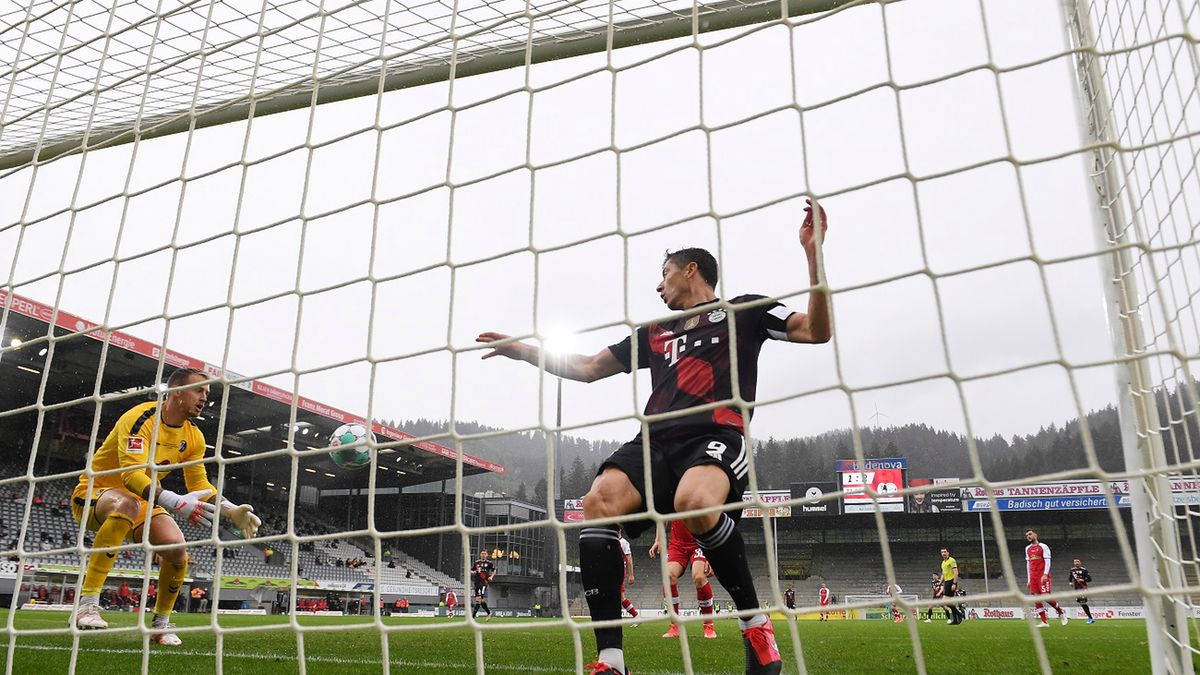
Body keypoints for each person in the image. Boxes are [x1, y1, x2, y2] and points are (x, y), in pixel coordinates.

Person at [477, 200, 831, 675]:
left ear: (691, 270)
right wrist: (525, 352)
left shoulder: (745, 310)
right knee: (598, 501)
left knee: (695, 502)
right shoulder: (654, 333)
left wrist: (814, 254)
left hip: (717, 434)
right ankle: (611, 660)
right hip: (656, 442)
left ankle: (755, 624)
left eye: (664, 273)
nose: (658, 284)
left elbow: (815, 331)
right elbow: (587, 367)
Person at [70, 367, 261, 645]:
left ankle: (160, 624)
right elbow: (131, 475)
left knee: (176, 549)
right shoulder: (140, 419)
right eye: (199, 390)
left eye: (207, 392)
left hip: (141, 501)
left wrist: (230, 510)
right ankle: (87, 604)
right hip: (95, 495)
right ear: (176, 393)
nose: (204, 397)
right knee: (125, 503)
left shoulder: (194, 436)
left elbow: (199, 484)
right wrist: (173, 501)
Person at [649, 520, 715, 639]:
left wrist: (712, 554)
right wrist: (658, 540)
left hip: (699, 543)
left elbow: (712, 519)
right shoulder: (669, 501)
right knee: (668, 576)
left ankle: (708, 625)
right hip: (677, 544)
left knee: (699, 577)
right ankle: (675, 626)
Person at [1025, 529, 1068, 627]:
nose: (1028, 536)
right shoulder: (1027, 548)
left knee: (1046, 597)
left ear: (1035, 534)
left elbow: (1048, 561)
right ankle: (1044, 622)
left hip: (1042, 576)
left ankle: (1061, 612)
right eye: (1027, 535)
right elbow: (1028, 564)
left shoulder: (1043, 546)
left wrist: (1045, 574)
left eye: (1030, 534)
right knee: (1036, 598)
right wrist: (1029, 579)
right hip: (1033, 577)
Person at [616, 526, 640, 625]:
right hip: (612, 571)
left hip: (619, 571)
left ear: (619, 530)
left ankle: (636, 616)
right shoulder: (612, 541)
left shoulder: (623, 543)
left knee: (621, 597)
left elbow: (629, 560)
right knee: (616, 596)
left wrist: (631, 575)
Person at [939, 547, 963, 625]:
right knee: (948, 602)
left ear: (948, 553)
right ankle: (955, 619)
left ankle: (959, 614)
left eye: (945, 552)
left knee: (944, 602)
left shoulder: (952, 560)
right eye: (942, 552)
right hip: (946, 582)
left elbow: (956, 572)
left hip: (951, 582)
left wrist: (954, 583)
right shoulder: (943, 563)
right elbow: (943, 573)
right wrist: (940, 582)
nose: (943, 553)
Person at [471, 551, 496, 619]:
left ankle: (473, 617)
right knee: (480, 600)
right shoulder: (476, 562)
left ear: (487, 555)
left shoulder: (489, 563)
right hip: (477, 582)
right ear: (480, 554)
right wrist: (473, 572)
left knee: (478, 599)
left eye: (485, 554)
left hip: (484, 582)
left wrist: (491, 577)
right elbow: (471, 570)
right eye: (482, 554)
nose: (483, 555)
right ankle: (489, 612)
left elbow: (494, 570)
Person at [1068, 558, 1094, 624]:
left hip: (1083, 588)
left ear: (1080, 563)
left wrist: (1083, 580)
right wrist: (1070, 582)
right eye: (1075, 562)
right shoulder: (1072, 570)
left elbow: (1090, 579)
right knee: (1082, 603)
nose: (1076, 563)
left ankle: (1090, 618)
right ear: (1074, 563)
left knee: (1083, 602)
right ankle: (1090, 618)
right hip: (1076, 589)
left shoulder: (1084, 570)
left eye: (1078, 562)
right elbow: (1070, 578)